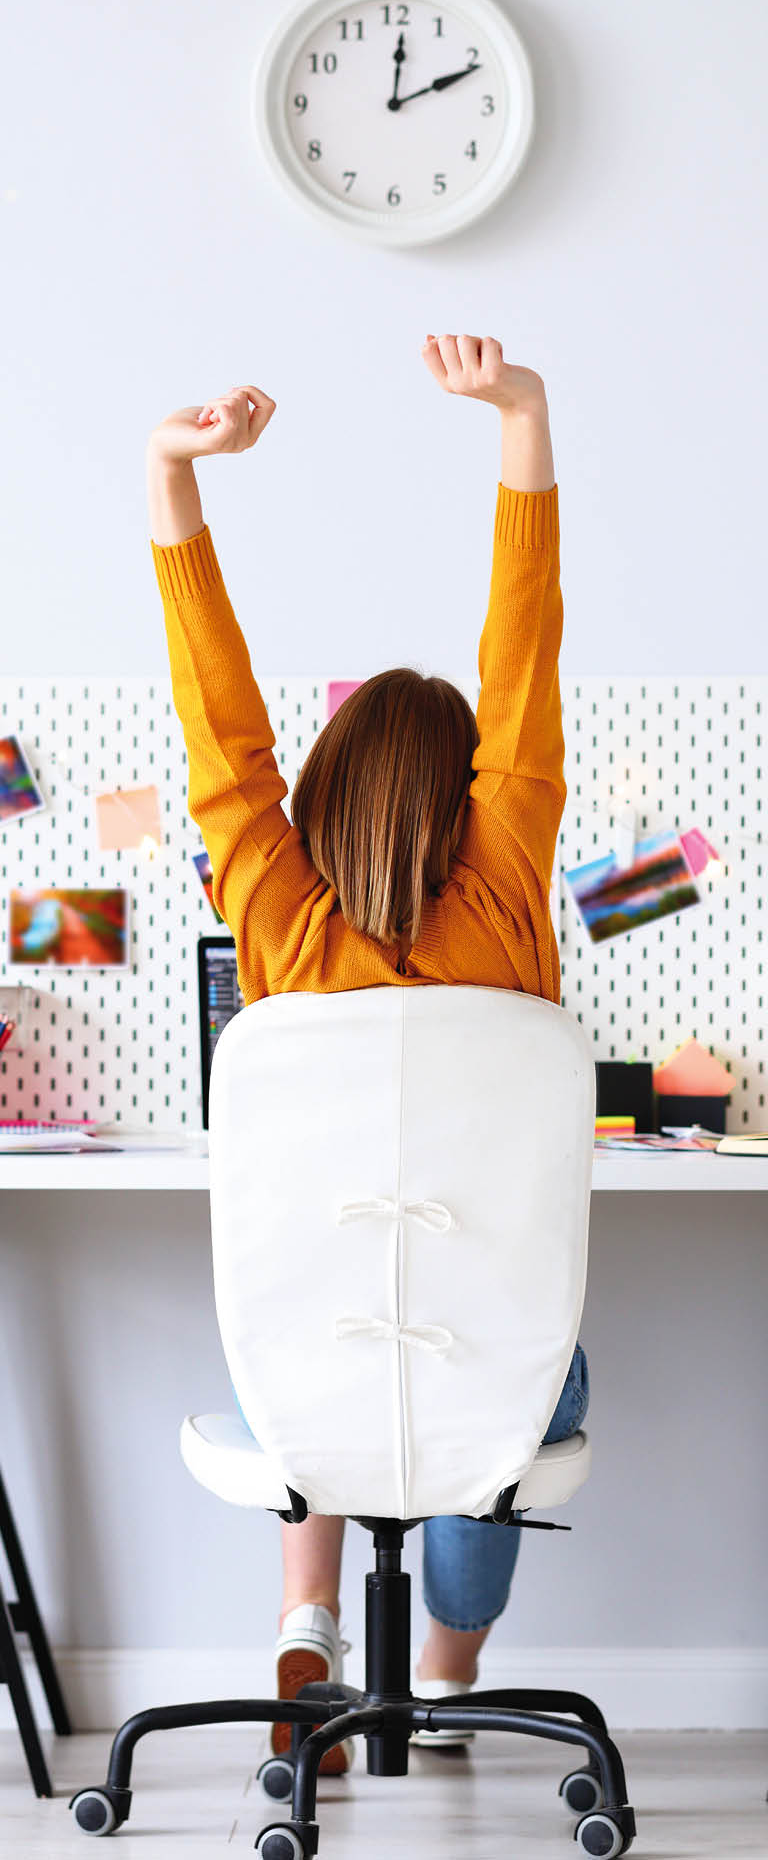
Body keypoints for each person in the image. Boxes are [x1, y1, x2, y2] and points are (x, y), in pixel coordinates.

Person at [147, 333, 589, 1772]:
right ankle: (451, 1674)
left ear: (321, 795)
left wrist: (172, 476)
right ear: (475, 798)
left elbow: (221, 734)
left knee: (318, 1315)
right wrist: (519, 418)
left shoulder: (272, 905)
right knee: (518, 1380)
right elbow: (524, 655)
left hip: (310, 1369)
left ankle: (312, 1620)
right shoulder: (513, 886)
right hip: (485, 1378)